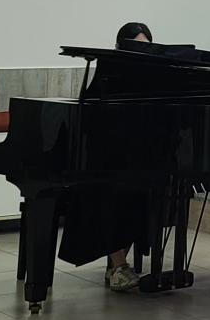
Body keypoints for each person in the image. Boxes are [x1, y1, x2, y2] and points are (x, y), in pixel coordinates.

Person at [57, 22, 155, 290]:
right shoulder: (108, 71)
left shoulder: (154, 76)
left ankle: (118, 266)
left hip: (136, 158)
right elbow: (91, 119)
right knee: (110, 197)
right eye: (135, 46)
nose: (140, 52)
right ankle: (118, 264)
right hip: (101, 162)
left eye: (145, 47)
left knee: (142, 195)